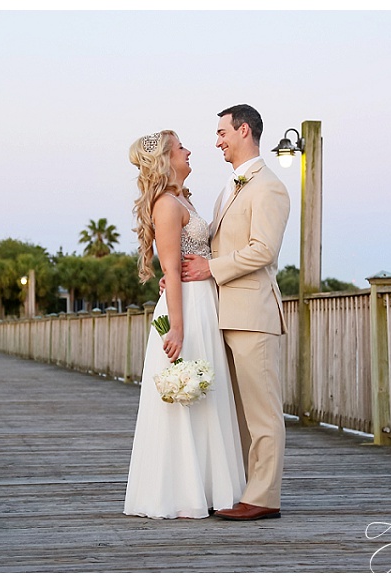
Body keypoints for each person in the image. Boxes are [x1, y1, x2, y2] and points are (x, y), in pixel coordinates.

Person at [123, 130, 245, 519]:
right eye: (181, 148)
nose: (189, 151)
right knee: (187, 396)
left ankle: (209, 487)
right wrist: (177, 328)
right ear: (166, 158)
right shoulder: (165, 205)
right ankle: (181, 492)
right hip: (185, 311)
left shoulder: (181, 200)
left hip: (202, 303)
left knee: (207, 394)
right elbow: (171, 269)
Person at [181, 104, 290, 521]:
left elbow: (263, 250)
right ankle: (243, 488)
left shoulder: (269, 187)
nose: (217, 140)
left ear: (244, 130)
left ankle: (264, 497)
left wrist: (211, 269)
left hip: (253, 314)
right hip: (223, 313)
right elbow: (214, 243)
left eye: (222, 132)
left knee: (262, 412)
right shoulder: (230, 187)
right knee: (237, 413)